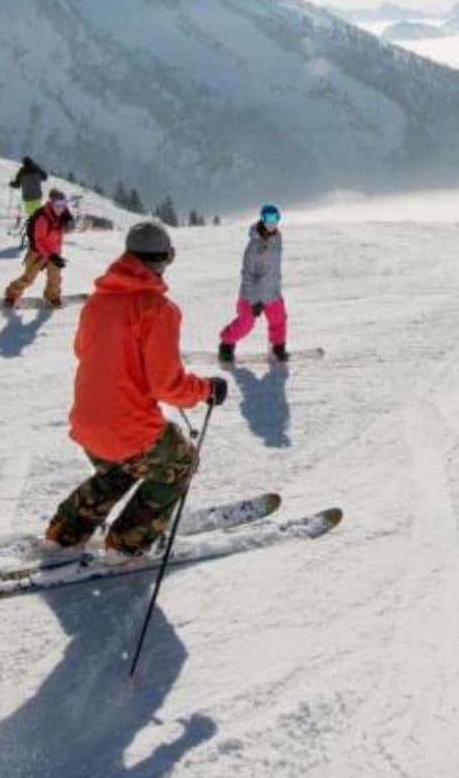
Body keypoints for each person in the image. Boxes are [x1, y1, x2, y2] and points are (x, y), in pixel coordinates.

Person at [44, 221, 228, 555]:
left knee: (120, 468)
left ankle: (66, 530)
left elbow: (82, 350)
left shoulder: (98, 301)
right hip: (128, 429)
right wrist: (206, 390)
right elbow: (166, 385)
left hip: (87, 423)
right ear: (165, 258)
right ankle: (127, 541)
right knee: (180, 463)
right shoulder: (158, 310)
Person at [219, 204, 289, 362]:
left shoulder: (277, 238)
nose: (273, 222)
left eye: (276, 218)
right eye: (268, 218)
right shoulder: (253, 247)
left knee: (279, 320)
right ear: (262, 219)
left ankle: (277, 347)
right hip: (251, 297)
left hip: (272, 293)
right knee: (245, 325)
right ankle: (226, 344)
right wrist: (254, 300)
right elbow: (248, 276)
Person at [4, 187, 74, 308]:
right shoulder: (43, 218)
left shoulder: (63, 216)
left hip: (54, 253)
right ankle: (11, 294)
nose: (61, 207)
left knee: (55, 277)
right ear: (51, 203)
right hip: (38, 252)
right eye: (58, 204)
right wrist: (50, 255)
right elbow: (38, 241)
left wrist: (56, 254)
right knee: (28, 278)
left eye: (64, 204)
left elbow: (60, 233)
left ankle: (52, 297)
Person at [9, 156, 48, 220]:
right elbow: (45, 177)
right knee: (37, 214)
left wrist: (11, 183)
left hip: (27, 197)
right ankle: (38, 226)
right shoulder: (36, 169)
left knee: (31, 215)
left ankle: (32, 226)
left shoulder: (21, 172)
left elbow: (17, 185)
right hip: (37, 196)